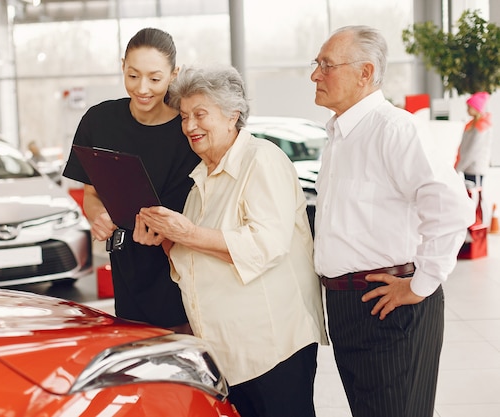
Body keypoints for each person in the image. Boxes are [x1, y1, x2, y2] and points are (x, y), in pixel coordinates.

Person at [133, 65, 328, 417]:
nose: (190, 126)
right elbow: (194, 260)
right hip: (229, 354)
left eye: (200, 115)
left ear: (232, 115)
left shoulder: (262, 160)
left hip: (272, 349)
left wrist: (187, 233)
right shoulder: (201, 180)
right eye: (184, 116)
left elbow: (266, 243)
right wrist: (164, 237)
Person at [310, 25, 474, 417]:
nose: (315, 74)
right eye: (316, 64)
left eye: (326, 65)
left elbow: (451, 205)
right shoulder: (340, 136)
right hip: (349, 306)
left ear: (365, 73)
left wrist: (422, 284)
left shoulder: (394, 128)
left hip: (390, 304)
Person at [62, 28, 200, 333]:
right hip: (129, 271)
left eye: (155, 78)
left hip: (184, 268)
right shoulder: (99, 121)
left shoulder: (189, 128)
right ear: (122, 65)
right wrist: (98, 216)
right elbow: (92, 194)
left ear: (174, 74)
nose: (143, 88)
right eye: (133, 75)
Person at [456, 91, 493, 223]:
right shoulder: (472, 125)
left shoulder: (482, 126)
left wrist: (458, 168)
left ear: (476, 108)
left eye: (469, 107)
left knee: (476, 199)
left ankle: (479, 226)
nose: (467, 109)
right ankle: (474, 225)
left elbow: (472, 151)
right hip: (468, 168)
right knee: (471, 199)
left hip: (475, 169)